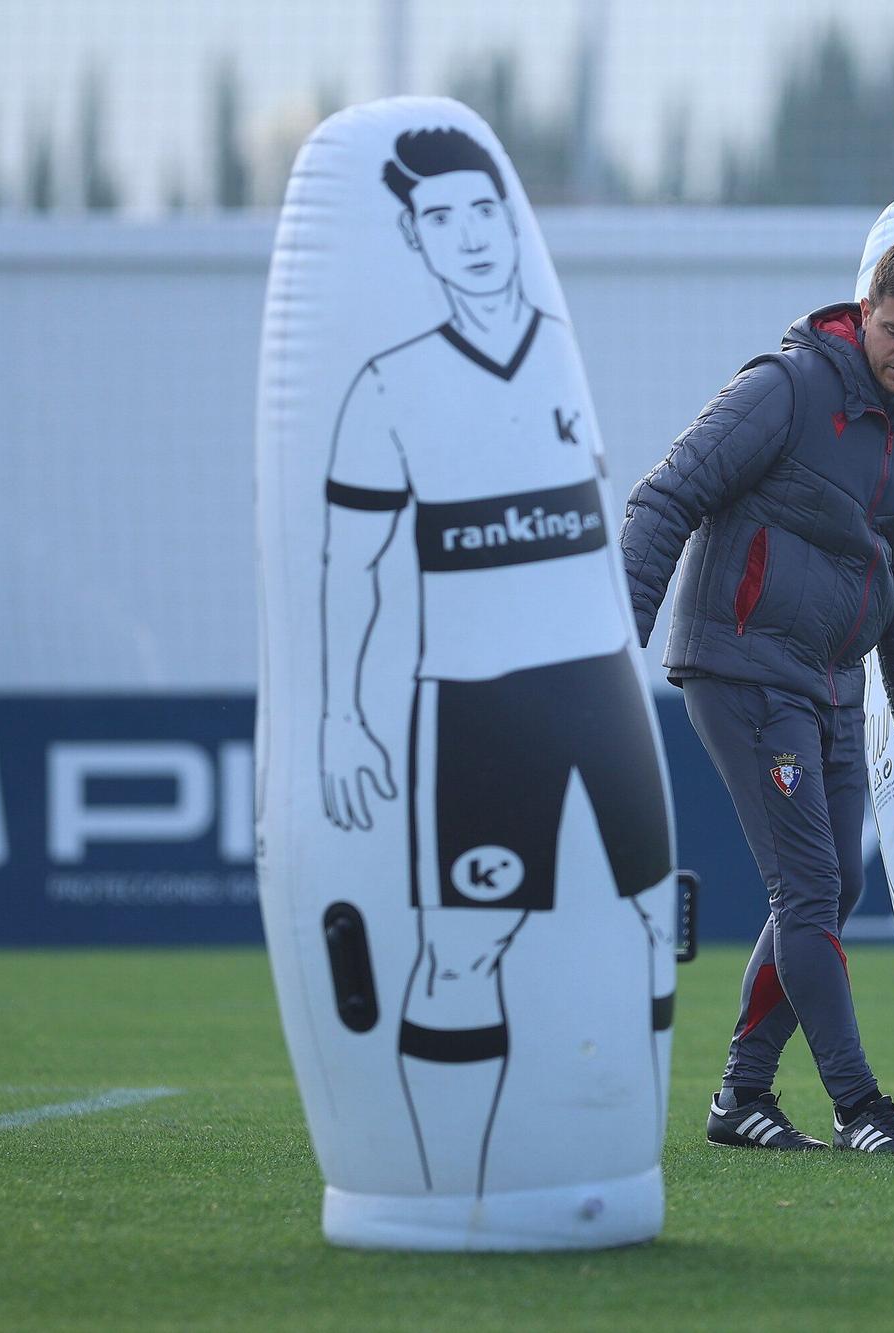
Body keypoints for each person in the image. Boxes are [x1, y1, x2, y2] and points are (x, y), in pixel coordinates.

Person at [317, 125, 672, 1197]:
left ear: (510, 223)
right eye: (440, 219)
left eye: (484, 212)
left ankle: (620, 1158)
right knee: (465, 949)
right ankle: (450, 1196)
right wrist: (340, 713)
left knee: (657, 923)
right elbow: (352, 563)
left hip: (597, 691)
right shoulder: (387, 387)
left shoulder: (558, 350)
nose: (468, 236)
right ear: (415, 242)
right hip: (477, 704)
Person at [620, 239, 894, 1156]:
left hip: (832, 684)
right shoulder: (785, 388)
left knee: (836, 882)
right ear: (864, 310)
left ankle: (742, 1097)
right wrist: (610, 645)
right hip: (739, 664)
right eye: (893, 329)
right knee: (812, 886)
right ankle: (859, 1106)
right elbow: (662, 500)